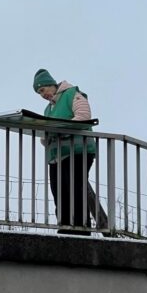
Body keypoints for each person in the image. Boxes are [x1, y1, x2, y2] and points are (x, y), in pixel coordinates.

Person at [33, 68, 107, 233]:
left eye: (43, 89)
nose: (42, 94)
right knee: (58, 191)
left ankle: (80, 227)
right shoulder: (48, 110)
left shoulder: (72, 94)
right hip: (57, 155)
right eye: (39, 93)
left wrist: (59, 129)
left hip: (78, 150)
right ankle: (65, 227)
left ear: (51, 84)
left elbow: (84, 116)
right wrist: (45, 135)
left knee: (75, 187)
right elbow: (45, 137)